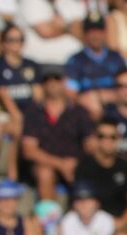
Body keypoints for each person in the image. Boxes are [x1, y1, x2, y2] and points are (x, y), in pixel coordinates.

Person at [21, 65, 94, 201]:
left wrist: (77, 164)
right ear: (42, 84)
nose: (52, 83)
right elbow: (29, 150)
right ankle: (50, 219)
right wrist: (61, 164)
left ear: (64, 81)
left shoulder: (78, 111)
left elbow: (89, 142)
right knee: (45, 173)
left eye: (57, 79)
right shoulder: (34, 112)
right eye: (47, 80)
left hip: (75, 163)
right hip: (46, 164)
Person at [76, 119, 127, 228]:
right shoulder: (84, 166)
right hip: (92, 224)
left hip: (121, 225)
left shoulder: (125, 166)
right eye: (102, 136)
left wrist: (119, 224)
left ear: (119, 139)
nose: (107, 141)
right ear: (95, 138)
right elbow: (80, 202)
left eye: (112, 137)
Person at [65, 12, 127, 118]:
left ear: (104, 33)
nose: (95, 36)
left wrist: (108, 96)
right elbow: (70, 94)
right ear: (85, 34)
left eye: (99, 31)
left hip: (116, 108)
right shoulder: (75, 60)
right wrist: (88, 99)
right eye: (91, 31)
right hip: (87, 112)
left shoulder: (116, 58)